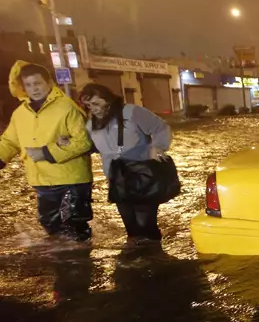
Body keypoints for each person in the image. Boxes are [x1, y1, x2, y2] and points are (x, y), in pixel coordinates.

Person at [0, 61, 93, 241]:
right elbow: (10, 141)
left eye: (37, 83)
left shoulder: (67, 107)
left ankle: (81, 265)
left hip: (71, 180)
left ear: (49, 83)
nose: (34, 89)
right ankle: (62, 265)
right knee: (51, 225)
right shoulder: (20, 113)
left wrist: (46, 153)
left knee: (74, 227)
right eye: (28, 85)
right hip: (42, 180)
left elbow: (83, 141)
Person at [78, 83, 172, 241]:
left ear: (108, 99)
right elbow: (93, 147)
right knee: (130, 226)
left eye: (96, 103)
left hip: (142, 175)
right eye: (88, 105)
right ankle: (138, 258)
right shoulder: (91, 124)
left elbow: (160, 127)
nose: (93, 109)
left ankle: (155, 257)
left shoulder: (132, 112)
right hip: (116, 178)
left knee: (146, 224)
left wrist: (158, 147)